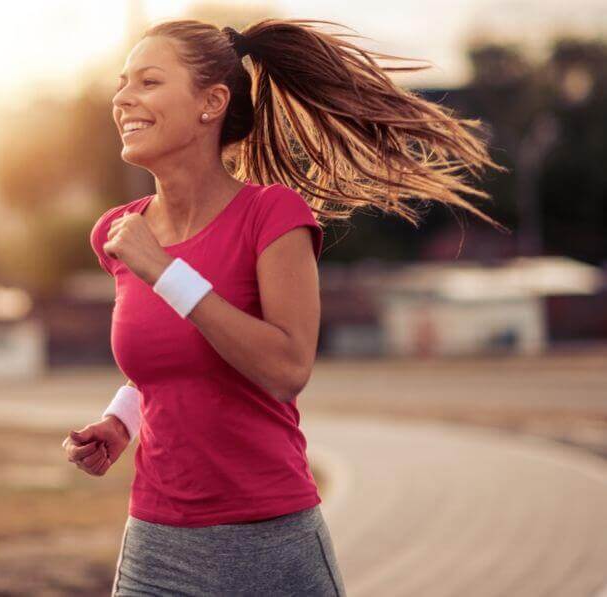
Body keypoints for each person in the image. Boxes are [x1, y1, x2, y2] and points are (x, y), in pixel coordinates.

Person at [60, 18, 508, 596]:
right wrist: (122, 420)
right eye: (123, 83)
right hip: (156, 543)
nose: (123, 98)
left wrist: (166, 271)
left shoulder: (272, 216)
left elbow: (286, 369)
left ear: (212, 103)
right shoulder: (118, 235)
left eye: (148, 81)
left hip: (269, 544)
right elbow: (175, 360)